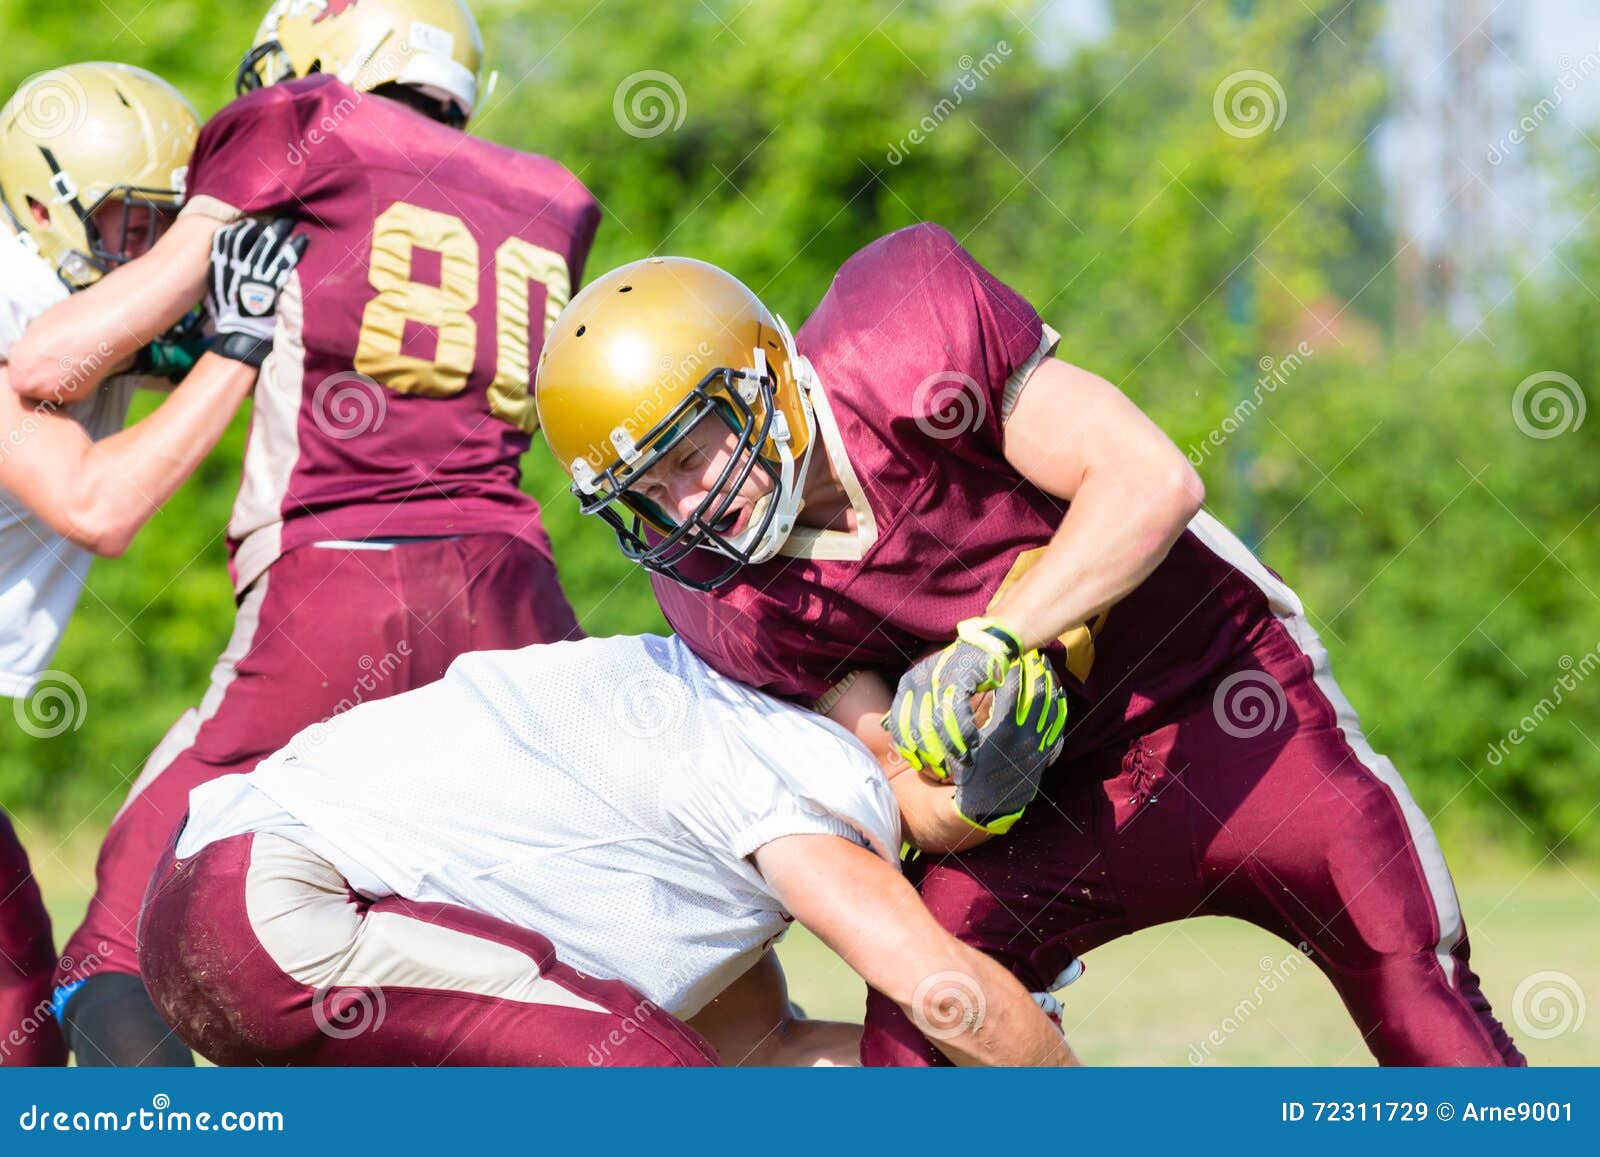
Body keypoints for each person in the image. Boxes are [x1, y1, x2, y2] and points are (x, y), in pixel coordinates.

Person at [532, 226, 1525, 1066]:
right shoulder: (726, 601)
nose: (690, 504)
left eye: (692, 449)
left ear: (763, 375)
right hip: (1046, 809)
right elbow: (901, 784)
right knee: (918, 1039)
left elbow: (1150, 480)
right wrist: (980, 793)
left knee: (1420, 1002)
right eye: (650, 492)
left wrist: (996, 637)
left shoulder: (898, 336)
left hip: (1221, 702)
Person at [9, 0, 600, 1066]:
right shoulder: (551, 191)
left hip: (338, 588)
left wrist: (224, 328)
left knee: (113, 947)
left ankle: (167, 1125)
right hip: (520, 603)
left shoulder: (308, 123)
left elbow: (51, 366)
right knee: (511, 945)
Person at [139, 633, 1075, 1068]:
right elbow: (946, 997)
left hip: (224, 905)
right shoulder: (795, 775)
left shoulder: (721, 732)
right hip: (276, 907)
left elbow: (767, 1053)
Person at [0, 61, 279, 1066]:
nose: (161, 251)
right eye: (141, 222)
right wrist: (235, 348)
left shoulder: (61, 288)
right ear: (43, 208)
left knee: (25, 1018)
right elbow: (96, 503)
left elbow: (123, 340)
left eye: (175, 222)